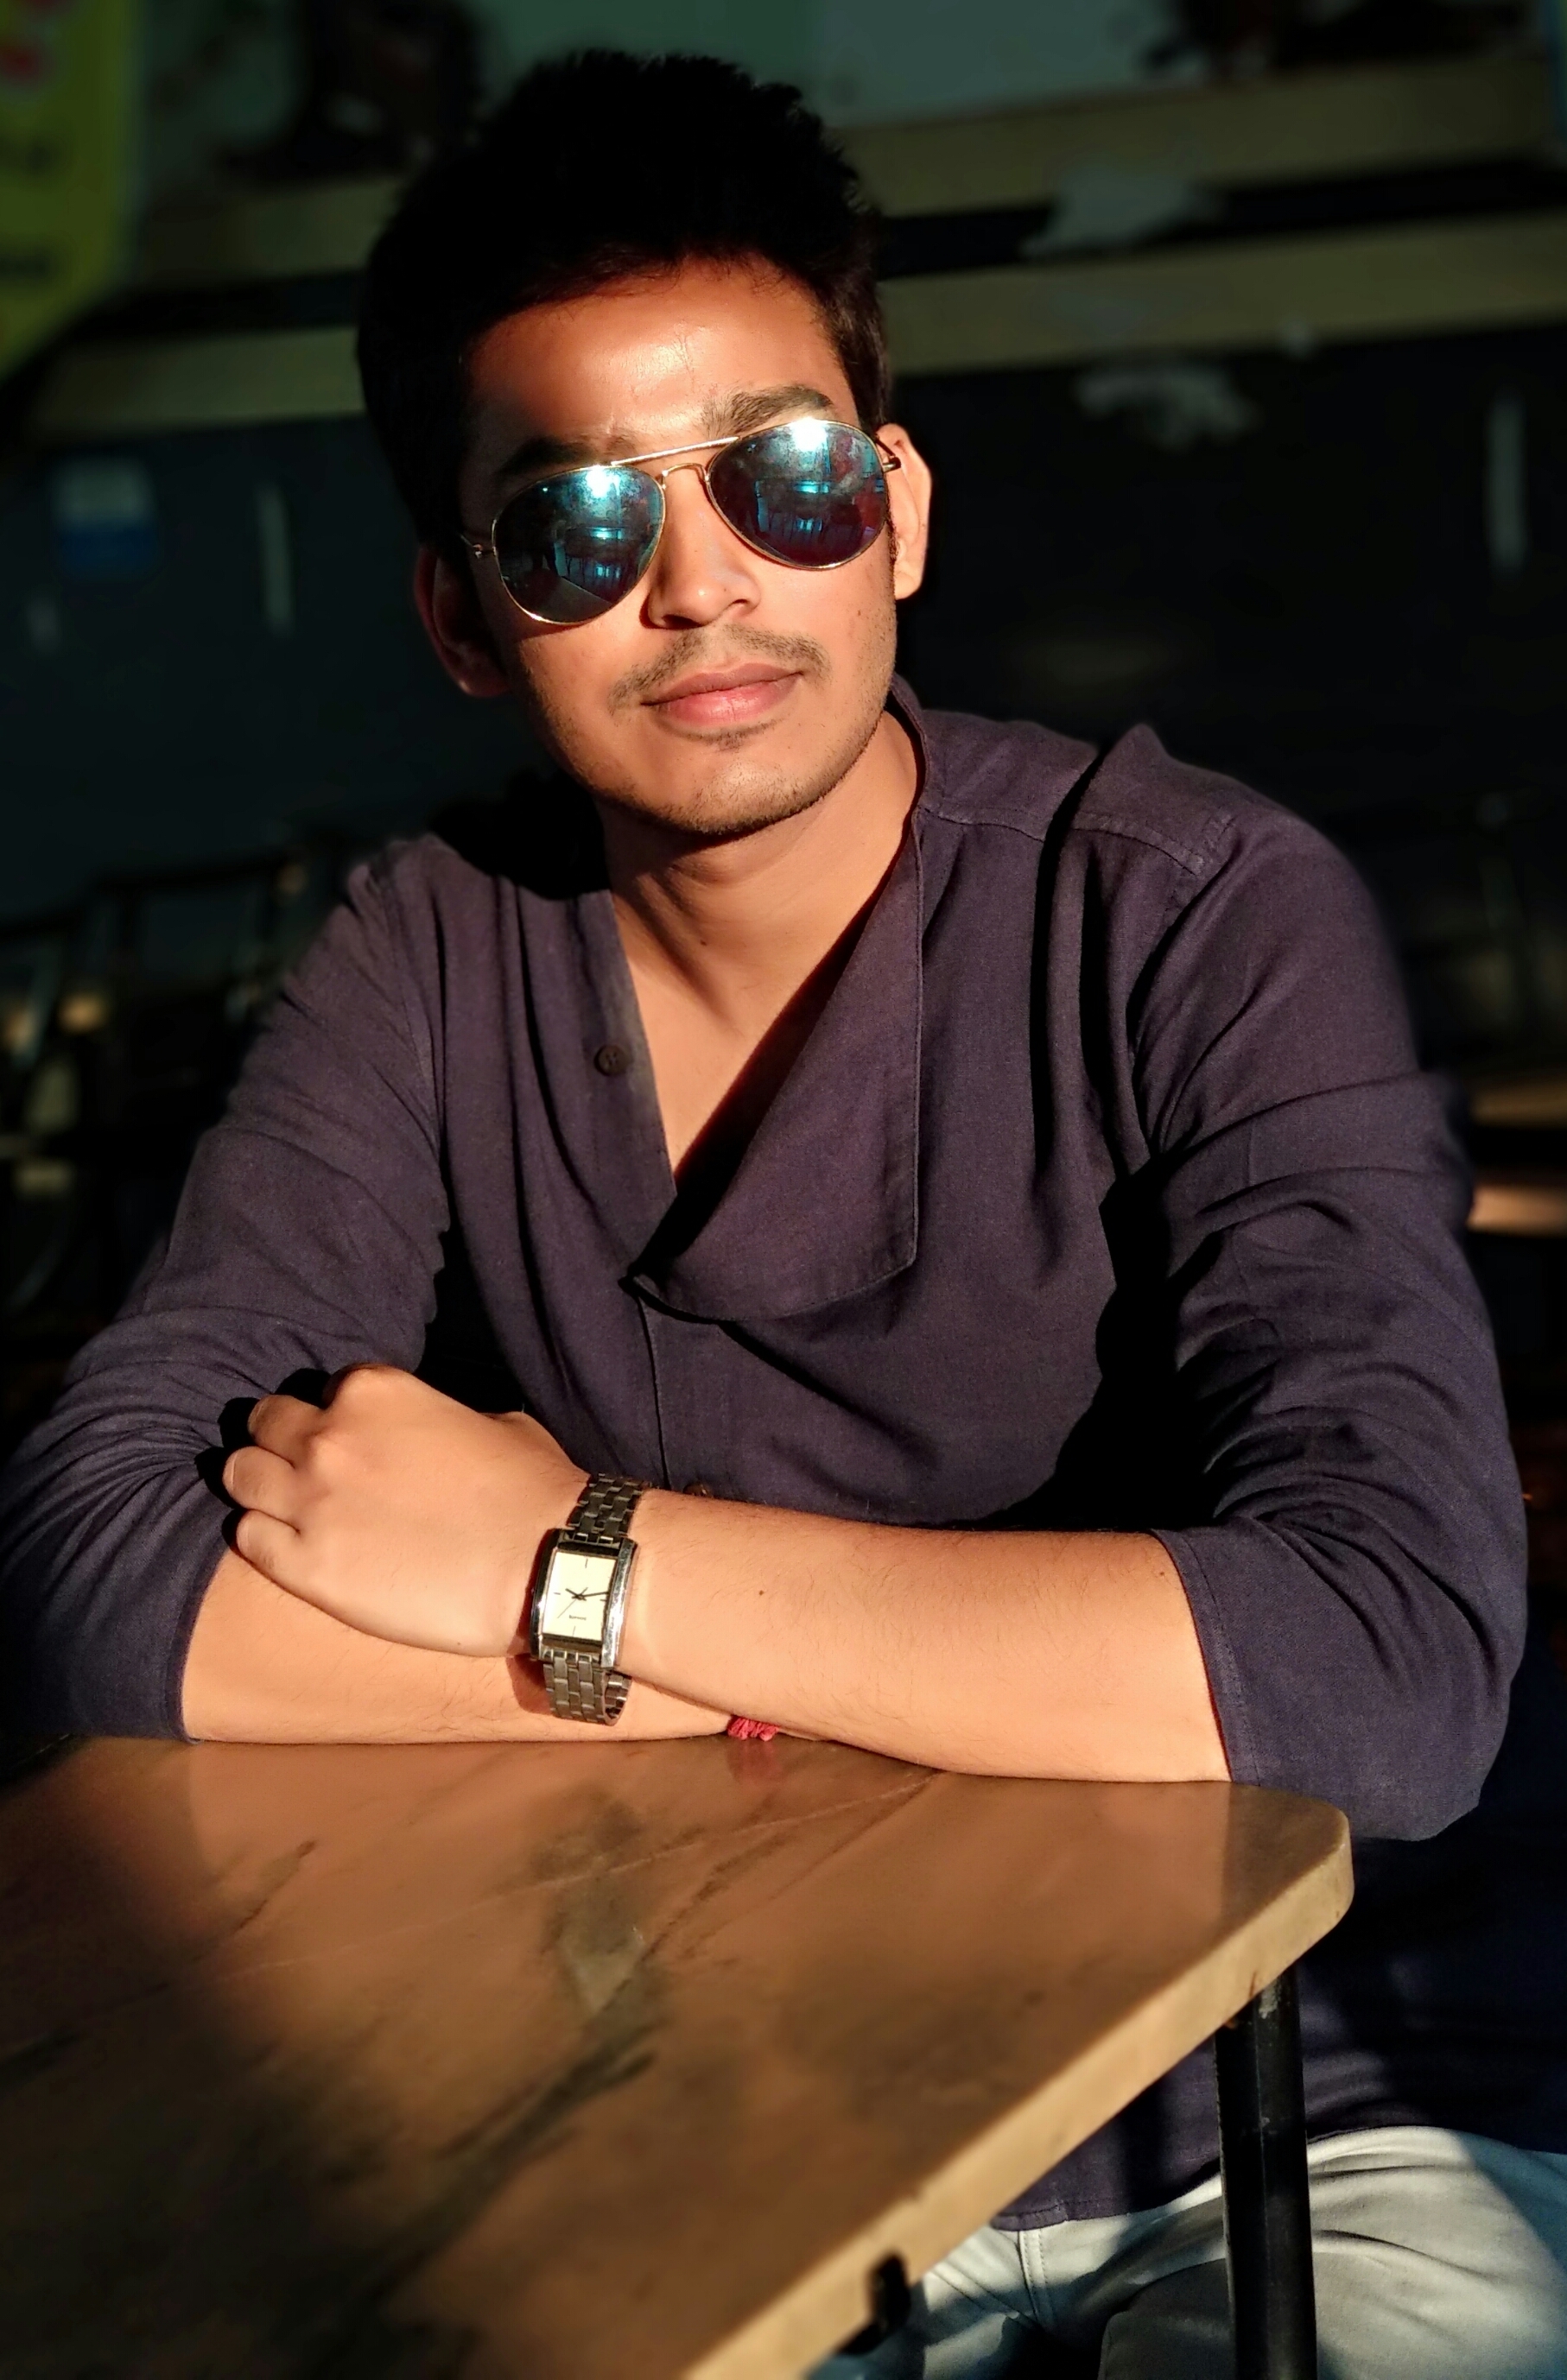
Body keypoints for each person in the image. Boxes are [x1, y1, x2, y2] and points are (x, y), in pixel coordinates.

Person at [3, 47, 1565, 2379]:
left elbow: (1390, 1663)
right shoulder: (436, 953)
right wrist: (874, 1671)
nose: (704, 584)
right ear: (463, 615)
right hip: (717, 2104)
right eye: (575, 527)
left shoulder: (1198, 912)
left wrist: (569, 1566)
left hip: (1297, 2105)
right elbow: (91, 1591)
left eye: (787, 478)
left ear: (899, 509)